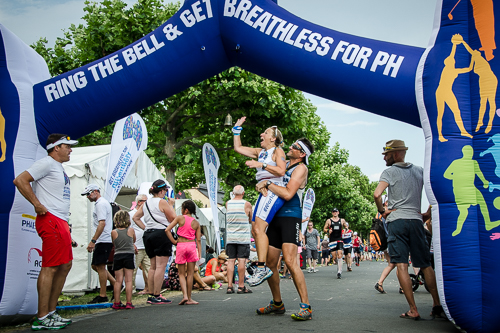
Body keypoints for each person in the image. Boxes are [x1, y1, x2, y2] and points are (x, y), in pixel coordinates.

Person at [13, 134, 78, 329]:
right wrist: (37, 204)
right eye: (67, 146)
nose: (71, 150)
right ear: (56, 148)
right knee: (50, 267)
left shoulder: (58, 167)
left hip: (61, 220)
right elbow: (20, 180)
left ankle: (50, 311)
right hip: (50, 219)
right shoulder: (47, 163)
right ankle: (42, 316)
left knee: (65, 265)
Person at [374, 139, 443, 320]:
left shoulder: (389, 172)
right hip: (415, 221)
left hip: (397, 221)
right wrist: (426, 213)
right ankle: (436, 305)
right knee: (425, 264)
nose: (384, 159)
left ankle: (413, 309)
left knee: (402, 265)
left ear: (396, 154)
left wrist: (382, 211)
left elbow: (376, 194)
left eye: (386, 155)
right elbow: (435, 191)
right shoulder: (419, 171)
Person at [255, 138, 315, 320]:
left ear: (302, 154)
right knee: (271, 263)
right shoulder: (284, 164)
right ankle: (277, 303)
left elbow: (288, 193)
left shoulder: (301, 168)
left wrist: (267, 184)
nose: (290, 147)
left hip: (290, 216)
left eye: (295, 147)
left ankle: (306, 307)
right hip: (274, 215)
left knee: (290, 261)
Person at [233, 117, 286, 286]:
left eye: (266, 132)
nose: (261, 134)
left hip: (273, 189)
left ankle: (262, 267)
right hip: (263, 191)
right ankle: (262, 265)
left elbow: (281, 171)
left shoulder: (278, 152)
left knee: (259, 227)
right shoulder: (260, 152)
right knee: (255, 230)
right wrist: (236, 130)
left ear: (274, 138)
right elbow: (238, 147)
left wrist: (261, 166)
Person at [133, 179, 176, 305]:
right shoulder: (162, 202)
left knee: (152, 266)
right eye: (165, 191)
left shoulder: (145, 203)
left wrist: (145, 228)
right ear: (162, 191)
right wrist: (171, 205)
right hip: (161, 233)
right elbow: (173, 218)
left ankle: (151, 293)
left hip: (148, 234)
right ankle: (156, 294)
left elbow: (136, 217)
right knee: (161, 266)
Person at [82, 184, 116, 304]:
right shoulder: (101, 203)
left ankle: (103, 294)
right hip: (103, 239)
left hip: (103, 239)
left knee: (100, 267)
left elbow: (102, 223)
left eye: (89, 194)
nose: (87, 197)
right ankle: (115, 283)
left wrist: (93, 240)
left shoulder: (101, 204)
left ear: (96, 191)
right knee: (95, 266)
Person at [166, 200, 202, 305]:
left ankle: (185, 295)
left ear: (185, 210)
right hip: (191, 246)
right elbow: (198, 240)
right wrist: (199, 253)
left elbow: (167, 230)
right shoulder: (196, 222)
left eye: (182, 208)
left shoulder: (180, 218)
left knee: (181, 273)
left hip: (181, 245)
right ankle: (190, 298)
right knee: (190, 273)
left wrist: (174, 241)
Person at [225, 185, 253, 294]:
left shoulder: (228, 203)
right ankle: (241, 286)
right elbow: (250, 219)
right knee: (242, 260)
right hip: (243, 237)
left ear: (233, 193)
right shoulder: (247, 204)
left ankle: (229, 286)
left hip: (230, 237)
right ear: (243, 193)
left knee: (231, 260)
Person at [111, 211, 136, 310]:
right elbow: (133, 240)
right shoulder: (131, 230)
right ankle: (129, 302)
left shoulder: (114, 232)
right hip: (129, 255)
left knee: (118, 281)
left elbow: (114, 243)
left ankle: (116, 302)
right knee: (128, 280)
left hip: (118, 255)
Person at [128, 194, 151, 294]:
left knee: (149, 268)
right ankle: (131, 289)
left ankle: (150, 288)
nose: (147, 203)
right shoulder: (131, 214)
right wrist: (131, 244)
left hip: (147, 245)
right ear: (139, 202)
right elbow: (128, 230)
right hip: (137, 245)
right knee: (134, 269)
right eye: (145, 201)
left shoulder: (147, 214)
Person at [323, 208, 346, 279]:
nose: (335, 213)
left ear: (338, 212)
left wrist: (345, 229)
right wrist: (327, 231)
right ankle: (337, 263)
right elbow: (324, 229)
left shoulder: (342, 220)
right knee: (334, 257)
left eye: (336, 212)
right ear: (332, 213)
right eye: (333, 212)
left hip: (339, 239)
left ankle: (339, 271)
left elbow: (346, 226)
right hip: (332, 240)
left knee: (340, 255)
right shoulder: (329, 220)